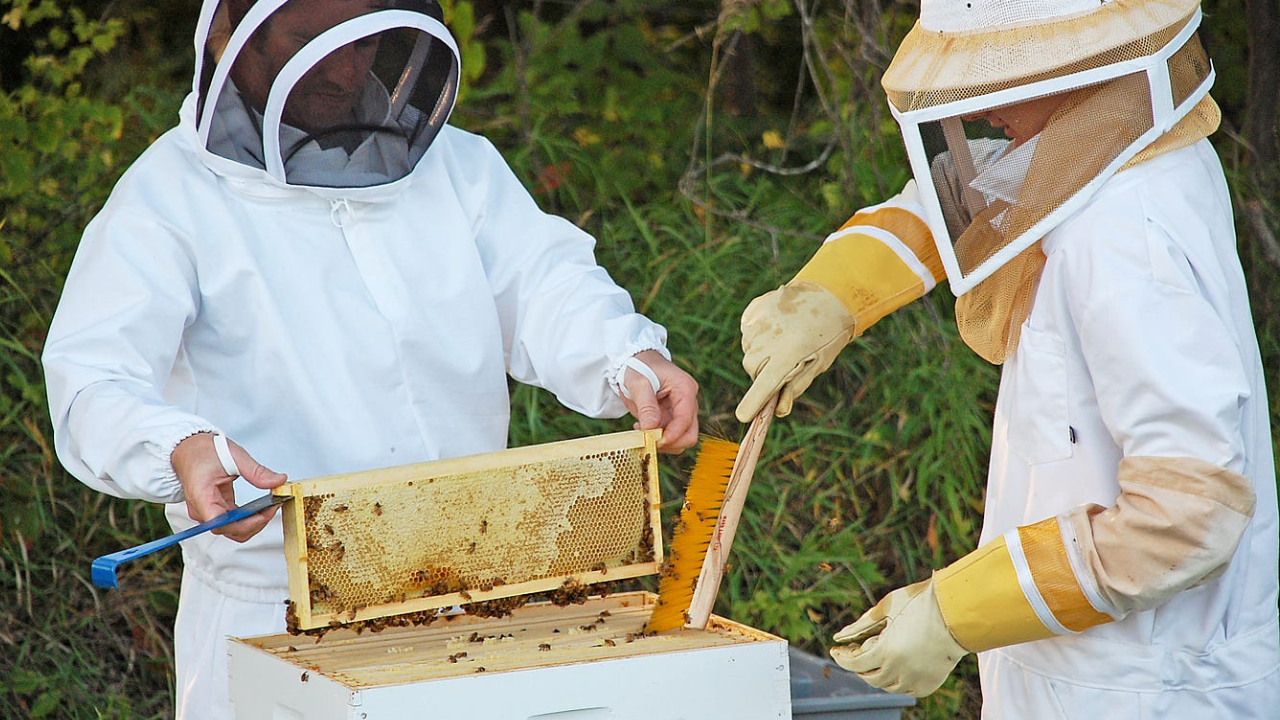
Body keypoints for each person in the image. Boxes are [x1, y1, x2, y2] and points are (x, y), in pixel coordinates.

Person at [41, 1, 699, 718]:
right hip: (274, 618)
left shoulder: (456, 166)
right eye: (309, 41)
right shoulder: (166, 202)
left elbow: (542, 282)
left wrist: (626, 355)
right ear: (239, 42)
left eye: (365, 43)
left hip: (475, 598)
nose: (346, 66)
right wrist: (179, 448)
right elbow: (93, 381)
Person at [735, 0, 1279, 716]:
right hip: (1097, 675)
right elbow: (985, 186)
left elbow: (1185, 515)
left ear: (1082, 62)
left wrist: (958, 607)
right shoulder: (1132, 147)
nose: (978, 101)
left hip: (1145, 690)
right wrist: (838, 290)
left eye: (1007, 70)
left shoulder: (1122, 241)